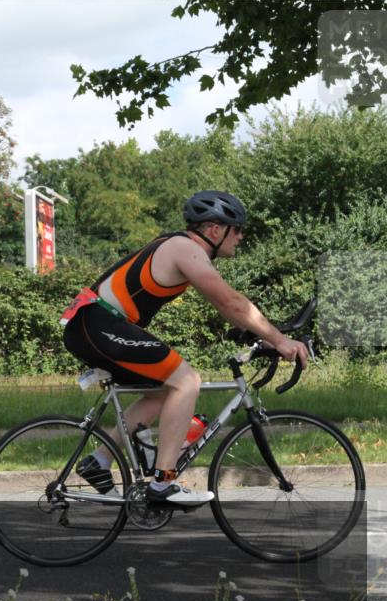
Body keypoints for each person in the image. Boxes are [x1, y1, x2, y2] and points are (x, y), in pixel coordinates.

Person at [60, 191, 310, 507]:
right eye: (238, 229)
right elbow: (230, 302)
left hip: (96, 325)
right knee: (187, 380)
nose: (242, 237)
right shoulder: (185, 249)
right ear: (216, 230)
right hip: (99, 326)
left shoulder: (181, 247)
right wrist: (279, 340)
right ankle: (163, 483)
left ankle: (99, 461)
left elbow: (228, 305)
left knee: (165, 390)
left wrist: (258, 332)